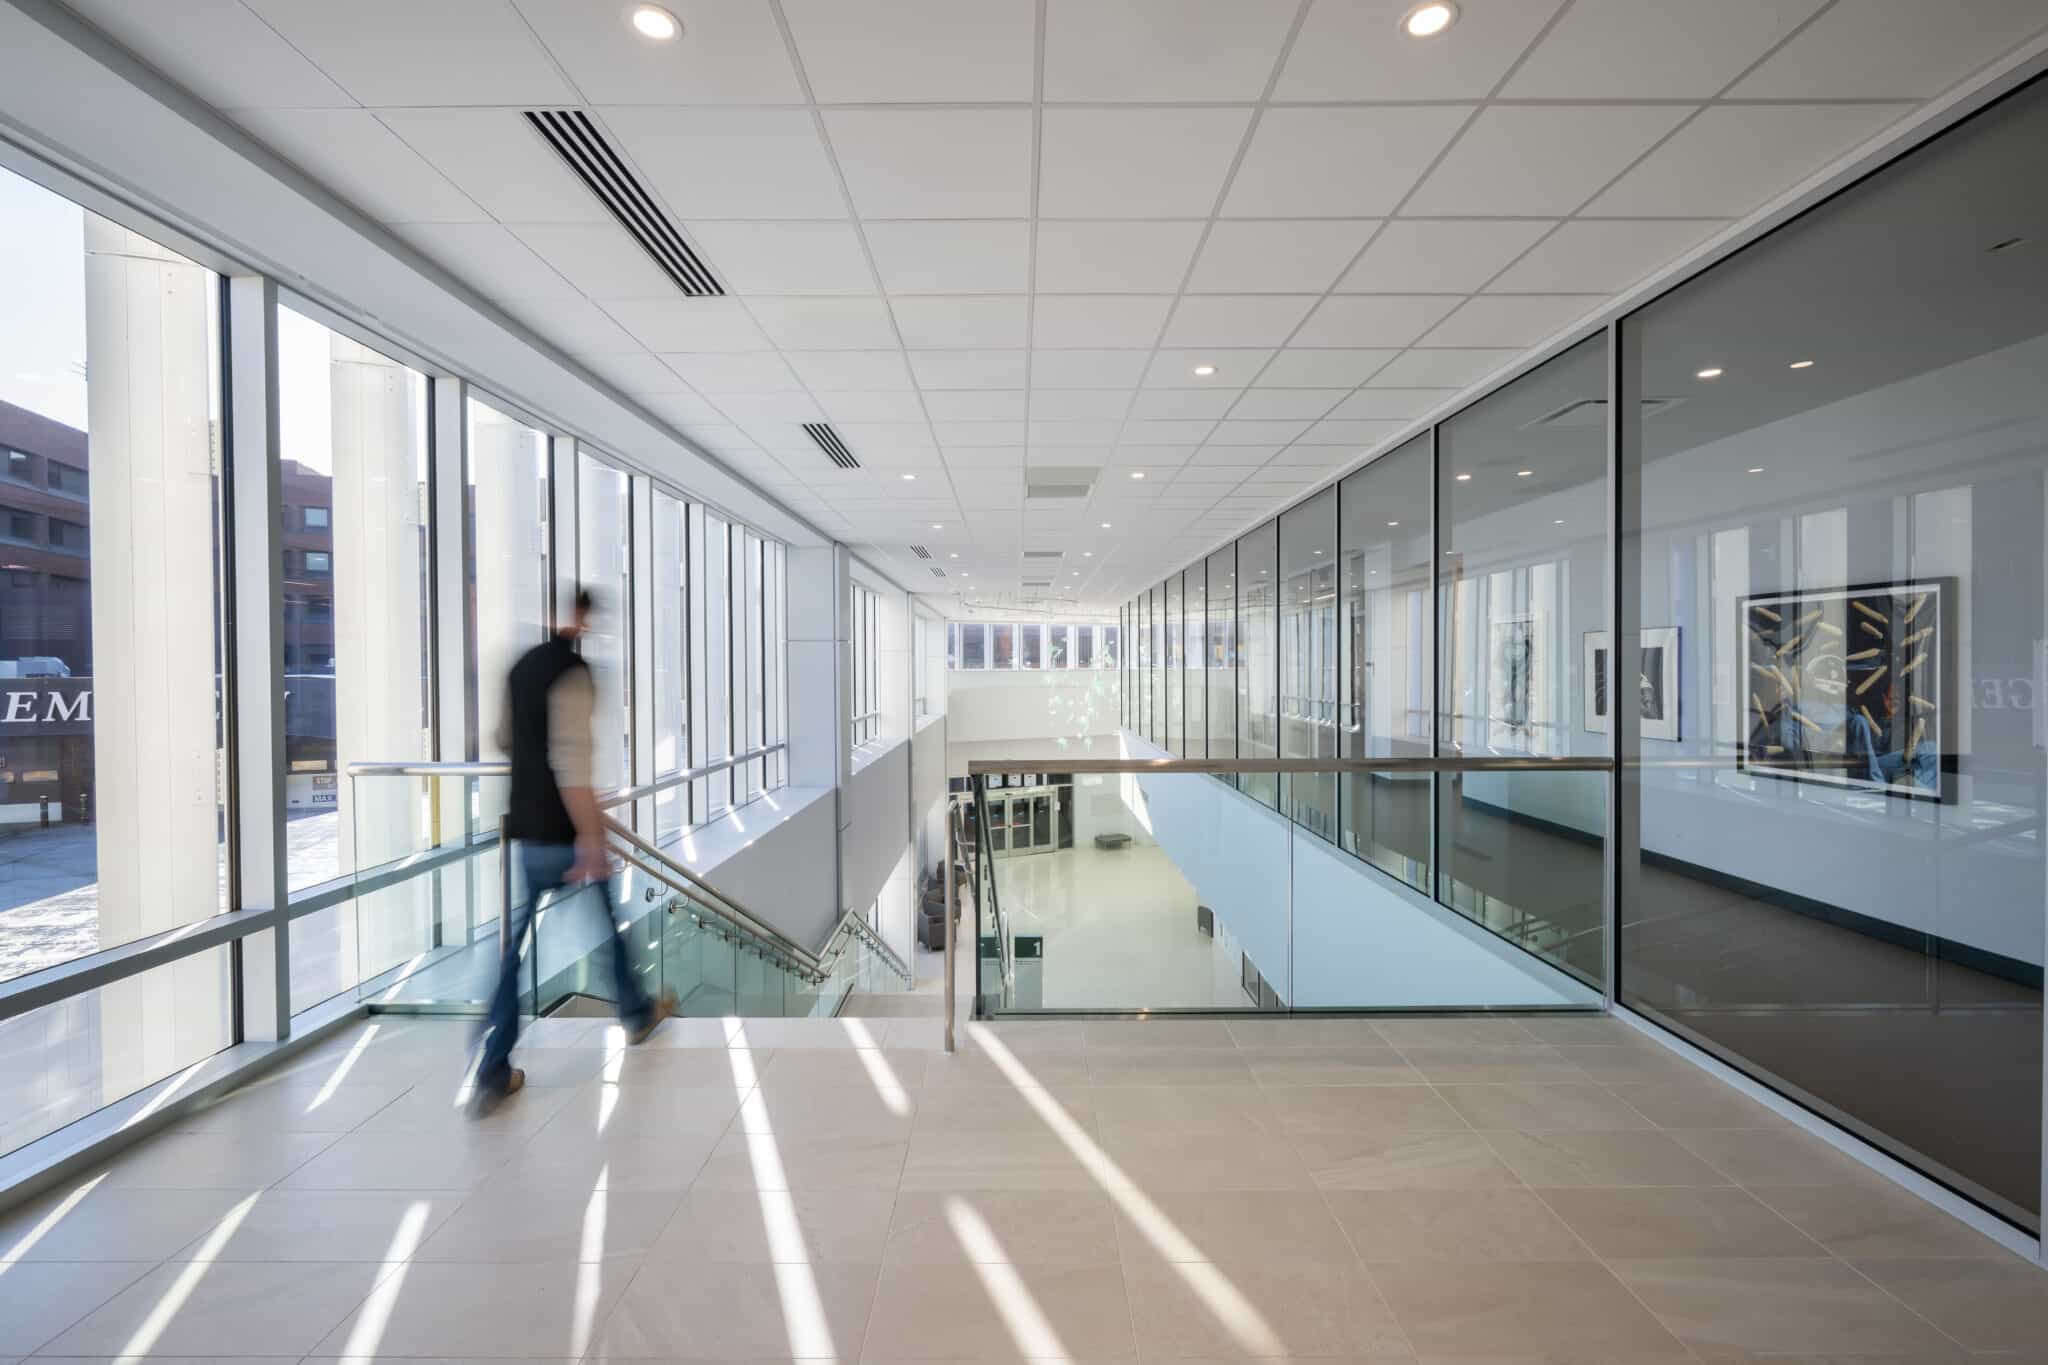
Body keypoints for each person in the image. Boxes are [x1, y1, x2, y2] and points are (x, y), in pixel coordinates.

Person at [475, 589, 671, 1113]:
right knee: (607, 924)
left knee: (513, 951)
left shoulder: (520, 668)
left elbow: (502, 738)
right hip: (563, 828)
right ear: (583, 620)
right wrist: (590, 835)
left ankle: (493, 1063)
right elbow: (571, 762)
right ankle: (635, 1012)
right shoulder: (576, 676)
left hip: (525, 825)